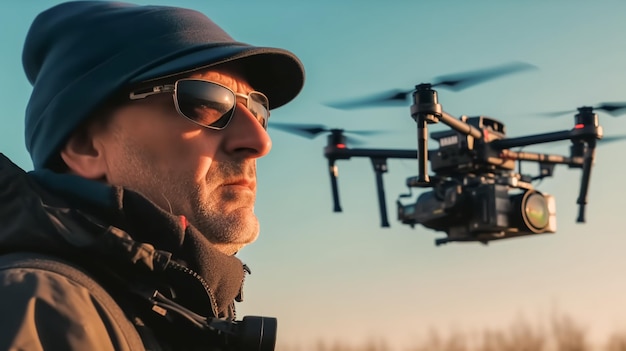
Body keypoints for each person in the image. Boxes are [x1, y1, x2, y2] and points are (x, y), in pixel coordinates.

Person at [0, 1, 304, 350]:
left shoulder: (161, 313)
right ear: (87, 147)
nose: (260, 141)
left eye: (257, 109)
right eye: (206, 102)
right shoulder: (43, 311)